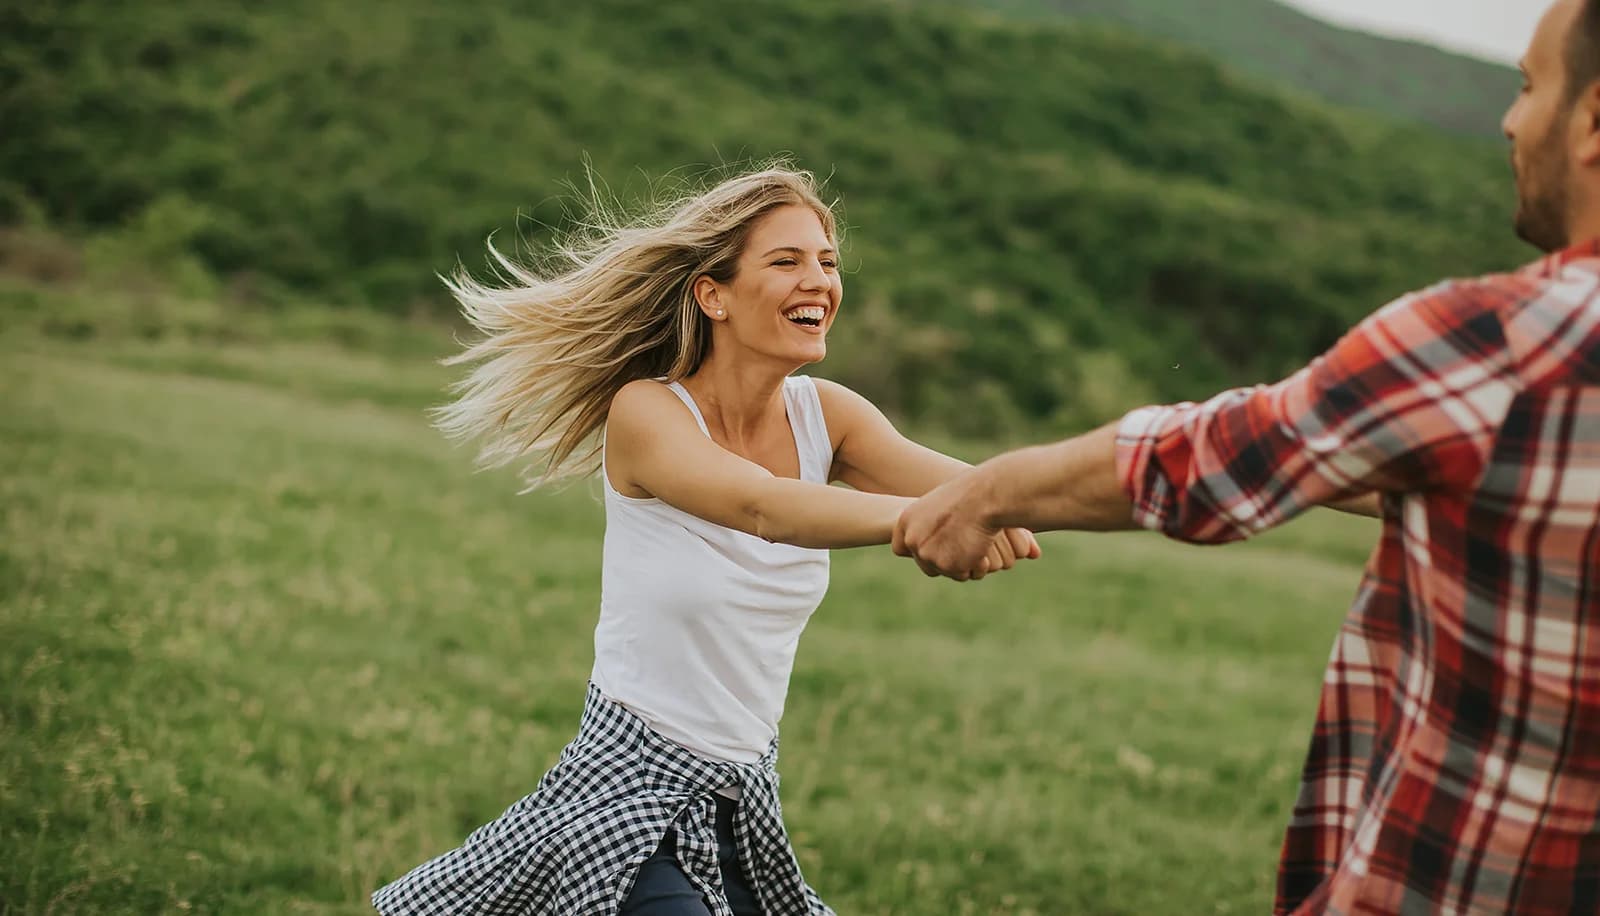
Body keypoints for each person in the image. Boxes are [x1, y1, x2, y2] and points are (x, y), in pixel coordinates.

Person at [894, 1, 1600, 912]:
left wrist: (985, 493)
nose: (1509, 119)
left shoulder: (1504, 339)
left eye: (1531, 86)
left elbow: (1208, 457)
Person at [371, 165, 1039, 916]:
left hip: (742, 800)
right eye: (786, 261)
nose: (817, 279)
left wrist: (1140, 484)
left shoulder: (830, 415)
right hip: (626, 794)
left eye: (827, 261)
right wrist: (923, 523)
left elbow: (982, 488)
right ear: (712, 294)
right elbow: (759, 507)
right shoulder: (648, 413)